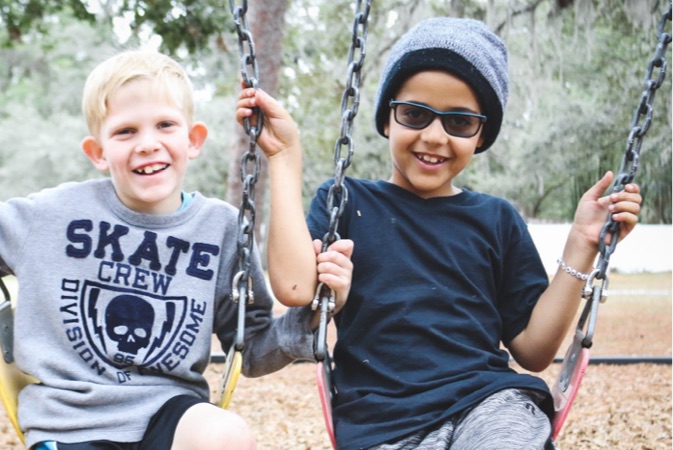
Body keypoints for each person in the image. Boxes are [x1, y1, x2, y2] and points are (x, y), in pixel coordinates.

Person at [0, 49, 354, 450]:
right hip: (71, 421)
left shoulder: (220, 228)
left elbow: (252, 347)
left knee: (228, 434)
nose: (147, 143)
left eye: (165, 125)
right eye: (125, 131)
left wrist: (314, 313)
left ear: (193, 140)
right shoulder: (54, 214)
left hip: (168, 412)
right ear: (98, 152)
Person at [237, 17, 643, 450]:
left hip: (489, 404)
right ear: (388, 118)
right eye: (414, 114)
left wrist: (582, 245)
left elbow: (533, 349)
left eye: (460, 122)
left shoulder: (496, 219)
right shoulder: (348, 202)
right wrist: (282, 157)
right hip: (382, 420)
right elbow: (296, 288)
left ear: (481, 133)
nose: (434, 137)